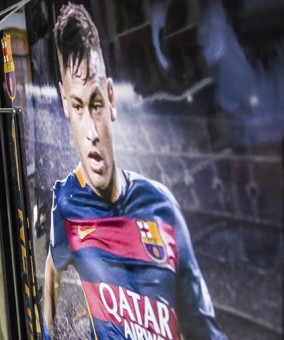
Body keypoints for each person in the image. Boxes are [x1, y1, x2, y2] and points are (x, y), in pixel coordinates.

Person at [42, 4, 226, 340]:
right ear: (66, 106)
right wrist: (46, 333)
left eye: (96, 104)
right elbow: (52, 269)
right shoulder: (65, 203)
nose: (92, 132)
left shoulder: (161, 206)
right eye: (78, 106)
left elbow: (204, 330)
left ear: (111, 99)